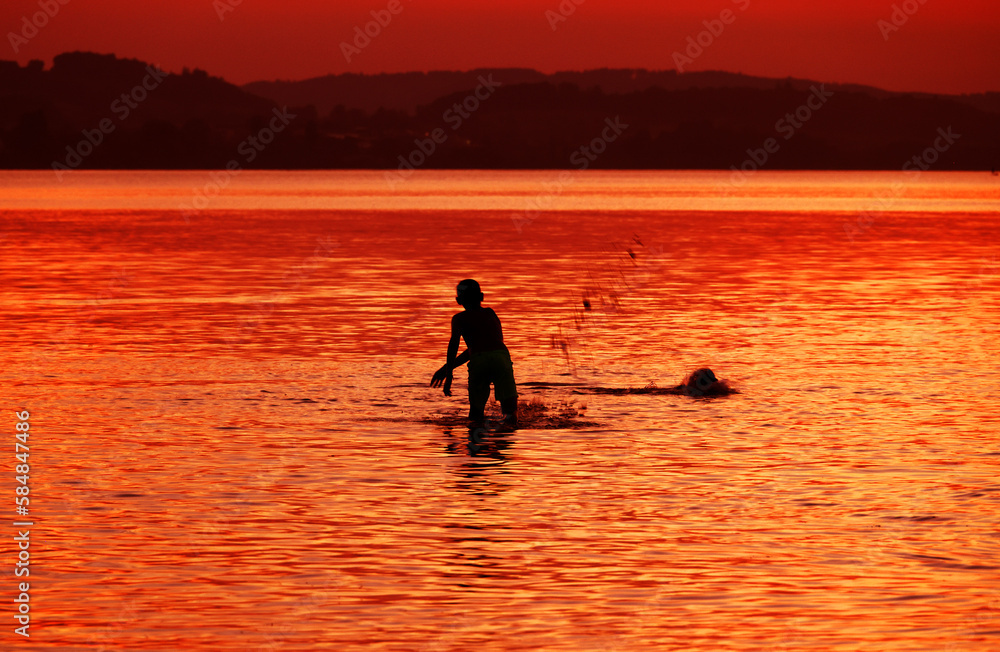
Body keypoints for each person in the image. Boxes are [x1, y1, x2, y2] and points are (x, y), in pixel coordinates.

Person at [430, 279, 518, 427]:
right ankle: (505, 440)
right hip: (501, 357)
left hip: (479, 361)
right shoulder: (490, 313)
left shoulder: (459, 319)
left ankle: (475, 444)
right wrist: (446, 369)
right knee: (510, 413)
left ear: (458, 300)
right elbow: (487, 347)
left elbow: (457, 346)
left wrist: (448, 372)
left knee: (476, 415)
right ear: (482, 296)